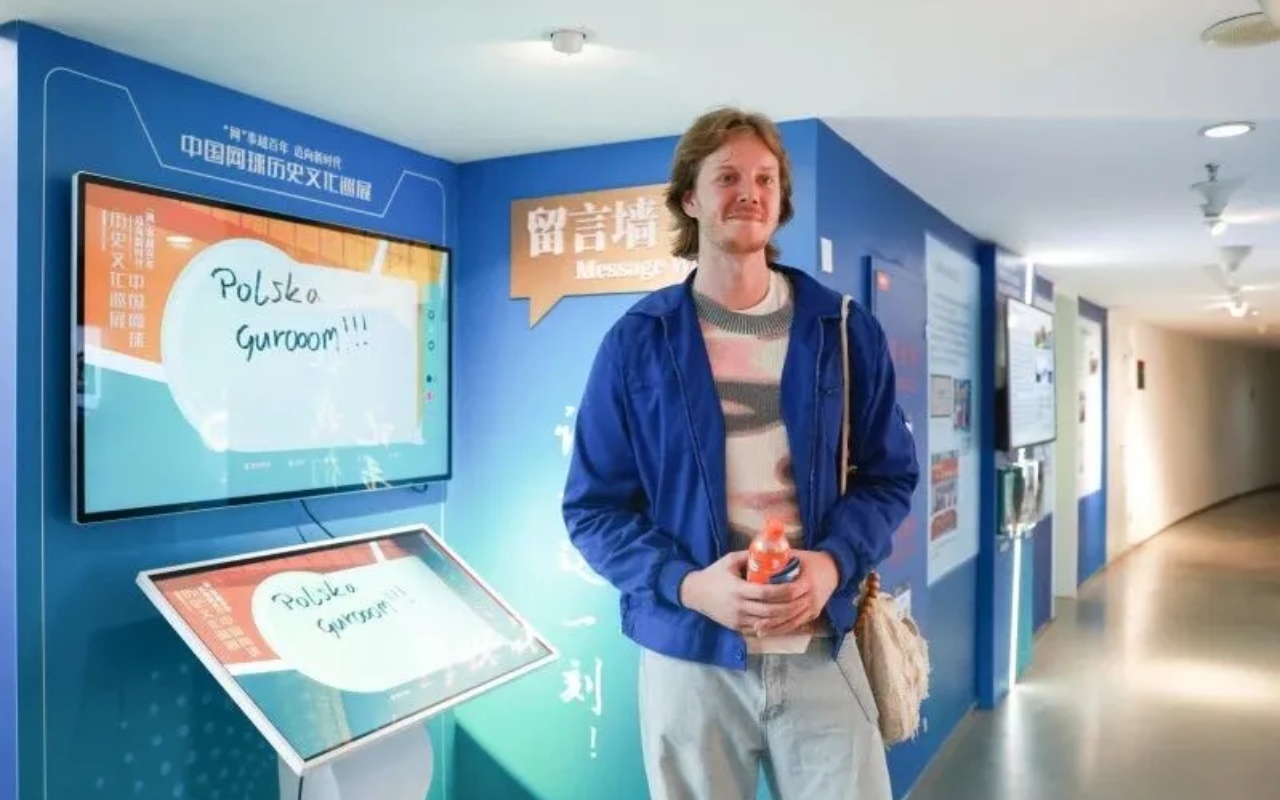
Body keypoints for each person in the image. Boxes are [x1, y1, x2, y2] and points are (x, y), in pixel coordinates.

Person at [561, 107, 920, 800]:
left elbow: (888, 477)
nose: (748, 193)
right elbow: (594, 510)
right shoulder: (637, 341)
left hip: (821, 645)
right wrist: (688, 585)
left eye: (764, 178)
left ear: (781, 199)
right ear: (689, 199)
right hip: (690, 654)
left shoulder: (843, 329)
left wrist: (831, 562)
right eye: (726, 177)